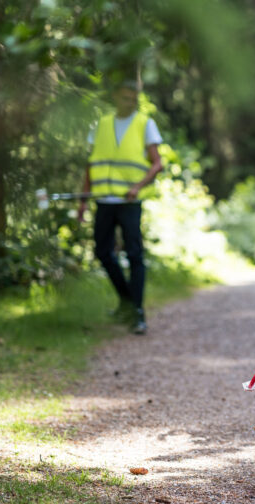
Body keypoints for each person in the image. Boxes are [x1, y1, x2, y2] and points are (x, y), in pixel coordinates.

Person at [77, 80, 163, 335]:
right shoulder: (101, 124)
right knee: (103, 253)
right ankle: (127, 302)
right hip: (103, 200)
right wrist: (83, 201)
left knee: (134, 255)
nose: (131, 103)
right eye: (126, 98)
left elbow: (157, 163)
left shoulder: (145, 123)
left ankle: (137, 312)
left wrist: (138, 186)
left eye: (134, 99)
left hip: (129, 202)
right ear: (116, 97)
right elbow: (90, 165)